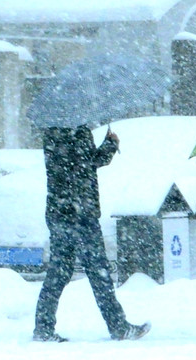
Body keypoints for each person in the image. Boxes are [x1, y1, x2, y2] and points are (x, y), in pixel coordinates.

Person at [33, 125, 150, 342]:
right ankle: (119, 327)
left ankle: (43, 328)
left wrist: (108, 146)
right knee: (98, 272)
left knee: (59, 272)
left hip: (60, 212)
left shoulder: (52, 131)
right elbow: (85, 164)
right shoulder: (74, 131)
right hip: (80, 214)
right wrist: (110, 145)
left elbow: (81, 163)